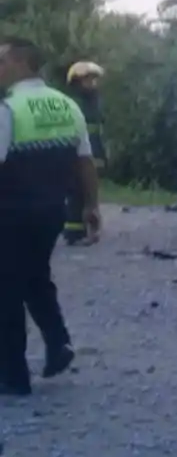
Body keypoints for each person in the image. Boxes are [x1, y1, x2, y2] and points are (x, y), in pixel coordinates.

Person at [0, 36, 97, 395]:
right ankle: (58, 345)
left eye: (2, 62)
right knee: (35, 276)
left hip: (10, 211)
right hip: (52, 211)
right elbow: (84, 161)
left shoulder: (8, 109)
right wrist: (91, 205)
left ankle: (12, 375)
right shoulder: (67, 106)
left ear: (22, 63)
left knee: (6, 291)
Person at [63, 60, 107, 246]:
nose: (93, 84)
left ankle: (88, 227)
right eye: (88, 80)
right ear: (77, 82)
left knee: (90, 192)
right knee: (77, 192)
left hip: (93, 152)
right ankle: (74, 231)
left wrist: (103, 154)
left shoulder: (93, 102)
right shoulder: (75, 103)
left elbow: (98, 130)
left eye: (94, 80)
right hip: (78, 154)